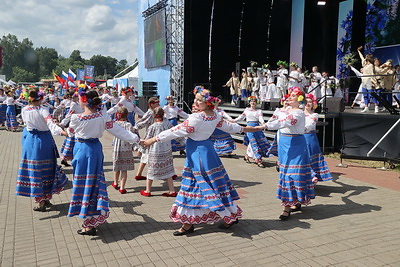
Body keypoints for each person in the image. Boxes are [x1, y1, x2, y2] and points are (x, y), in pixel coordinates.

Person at [143, 86, 264, 236]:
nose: (196, 102)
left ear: (208, 103)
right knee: (214, 185)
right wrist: (249, 129)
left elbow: (176, 131)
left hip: (197, 155)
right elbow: (231, 127)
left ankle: (189, 223)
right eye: (196, 99)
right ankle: (227, 217)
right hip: (208, 152)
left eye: (200, 100)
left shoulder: (197, 118)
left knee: (193, 185)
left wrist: (153, 139)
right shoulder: (214, 116)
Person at [67, 89, 140, 236]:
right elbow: (118, 131)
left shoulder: (76, 118)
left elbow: (70, 132)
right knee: (94, 182)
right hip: (95, 150)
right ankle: (93, 218)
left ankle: (88, 223)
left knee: (83, 183)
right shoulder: (102, 116)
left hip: (82, 150)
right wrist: (136, 139)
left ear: (83, 100)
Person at [265, 87, 315, 220]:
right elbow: (274, 120)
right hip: (284, 145)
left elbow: (286, 122)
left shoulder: (299, 113)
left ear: (299, 100)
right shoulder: (284, 110)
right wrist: (277, 112)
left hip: (296, 145)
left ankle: (288, 207)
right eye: (289, 95)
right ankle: (292, 203)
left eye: (293, 96)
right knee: (286, 174)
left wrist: (263, 127)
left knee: (293, 175)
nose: (289, 97)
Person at [15, 90, 68, 211]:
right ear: (40, 98)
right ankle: (43, 200)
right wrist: (62, 132)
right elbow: (50, 123)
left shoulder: (24, 110)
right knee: (46, 170)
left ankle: (42, 200)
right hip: (43, 141)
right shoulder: (42, 109)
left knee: (34, 170)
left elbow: (26, 123)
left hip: (30, 140)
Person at [140, 107, 177, 197]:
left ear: (153, 115)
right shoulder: (167, 123)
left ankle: (148, 190)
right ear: (163, 114)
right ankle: (172, 190)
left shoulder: (152, 127)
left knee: (151, 170)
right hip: (167, 150)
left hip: (155, 151)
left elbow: (147, 139)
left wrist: (142, 149)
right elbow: (175, 132)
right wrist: (182, 141)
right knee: (168, 170)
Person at [233, 96, 269, 168]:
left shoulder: (259, 111)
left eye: (254, 101)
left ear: (256, 103)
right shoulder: (246, 110)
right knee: (253, 142)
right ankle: (258, 159)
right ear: (249, 102)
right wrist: (233, 120)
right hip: (249, 128)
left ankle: (247, 156)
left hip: (257, 128)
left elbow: (260, 118)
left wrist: (263, 124)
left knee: (256, 142)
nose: (253, 102)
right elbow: (241, 117)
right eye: (251, 101)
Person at [304, 94, 332, 184]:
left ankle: (312, 177)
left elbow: (310, 125)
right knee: (303, 157)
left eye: (310, 102)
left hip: (310, 137)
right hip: (301, 138)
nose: (308, 104)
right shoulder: (299, 114)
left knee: (311, 157)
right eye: (306, 102)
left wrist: (299, 129)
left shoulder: (314, 115)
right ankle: (306, 178)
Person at [111, 106, 138, 194]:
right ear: (127, 115)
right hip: (126, 148)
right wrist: (135, 147)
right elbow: (131, 137)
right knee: (124, 169)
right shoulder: (128, 125)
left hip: (116, 148)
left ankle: (115, 183)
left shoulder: (115, 124)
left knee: (117, 167)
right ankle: (122, 187)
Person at [133, 97, 160, 181]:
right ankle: (165, 174)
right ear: (151, 104)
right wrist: (135, 128)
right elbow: (143, 122)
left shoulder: (154, 112)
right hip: (151, 136)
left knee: (146, 156)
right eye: (156, 102)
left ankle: (139, 174)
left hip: (154, 135)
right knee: (147, 155)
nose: (158, 104)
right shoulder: (151, 113)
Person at [59, 91, 83, 167]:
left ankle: (67, 159)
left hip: (79, 124)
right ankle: (65, 159)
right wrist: (63, 123)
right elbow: (69, 114)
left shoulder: (77, 104)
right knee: (71, 142)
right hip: (74, 124)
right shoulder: (73, 104)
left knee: (73, 142)